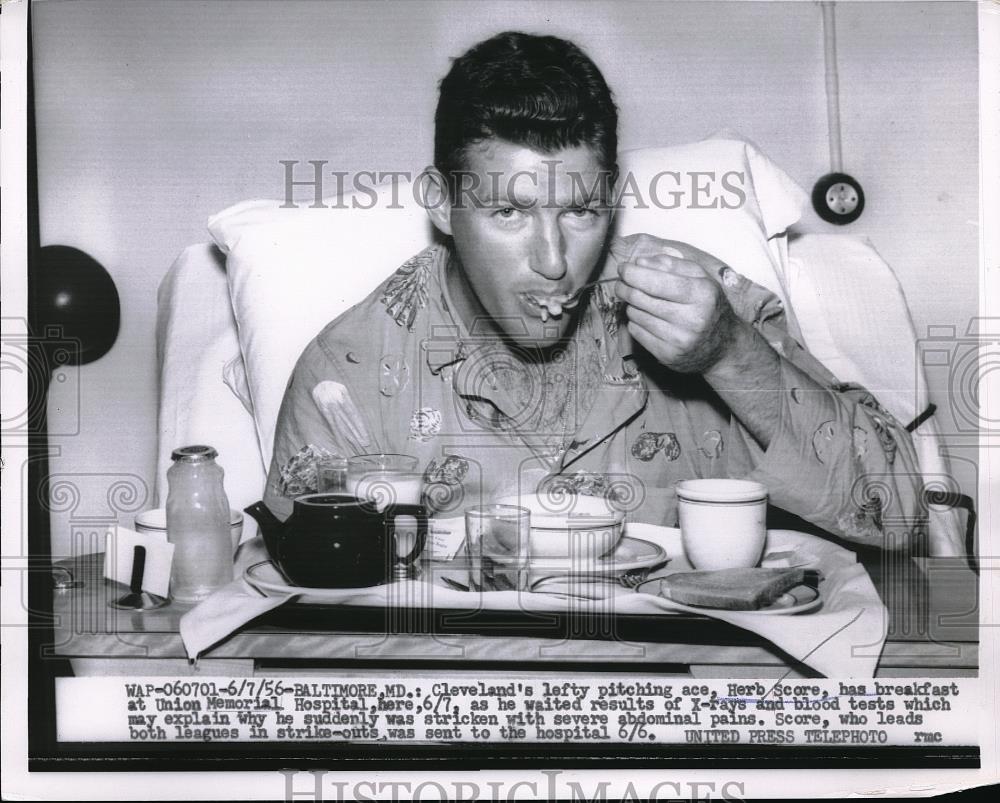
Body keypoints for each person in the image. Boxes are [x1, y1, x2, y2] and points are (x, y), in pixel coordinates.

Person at [264, 31, 923, 551]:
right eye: (509, 214)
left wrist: (728, 354)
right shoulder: (346, 375)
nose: (553, 263)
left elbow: (899, 515)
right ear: (441, 204)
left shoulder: (697, 304)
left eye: (580, 211)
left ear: (612, 200)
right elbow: (293, 631)